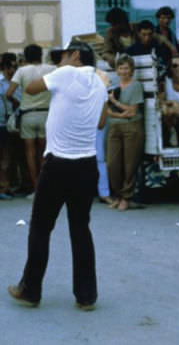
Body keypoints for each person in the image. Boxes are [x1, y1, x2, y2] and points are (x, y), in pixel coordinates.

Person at [8, 40, 108, 311]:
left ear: (75, 55)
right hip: (86, 165)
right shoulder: (100, 83)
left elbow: (30, 88)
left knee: (41, 228)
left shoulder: (65, 74)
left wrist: (58, 69)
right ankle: (86, 296)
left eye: (62, 56)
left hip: (58, 165)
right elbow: (100, 122)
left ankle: (30, 290)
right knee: (80, 229)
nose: (59, 60)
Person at [6, 44, 57, 199]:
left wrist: (18, 103)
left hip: (28, 114)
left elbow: (9, 93)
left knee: (30, 152)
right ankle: (47, 186)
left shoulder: (22, 71)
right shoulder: (51, 69)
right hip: (47, 114)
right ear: (41, 55)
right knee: (44, 152)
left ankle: (36, 187)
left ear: (26, 57)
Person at [106, 55, 144, 211]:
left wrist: (115, 103)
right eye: (120, 68)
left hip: (132, 128)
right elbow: (107, 110)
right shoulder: (113, 86)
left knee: (130, 164)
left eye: (126, 68)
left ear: (132, 70)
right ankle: (117, 194)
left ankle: (126, 197)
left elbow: (133, 112)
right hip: (114, 127)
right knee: (112, 164)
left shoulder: (135, 86)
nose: (123, 71)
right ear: (116, 70)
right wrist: (120, 113)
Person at [102, 7, 177, 69]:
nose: (113, 27)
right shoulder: (110, 32)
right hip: (123, 66)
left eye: (115, 24)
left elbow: (159, 37)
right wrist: (111, 58)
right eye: (112, 24)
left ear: (123, 21)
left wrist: (172, 48)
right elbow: (106, 51)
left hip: (142, 63)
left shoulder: (137, 27)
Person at [0, 55, 18, 199]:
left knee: (7, 157)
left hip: (5, 123)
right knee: (5, 157)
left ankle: (6, 185)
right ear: (6, 68)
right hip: (2, 124)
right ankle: (4, 187)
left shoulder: (10, 82)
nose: (15, 69)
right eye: (13, 66)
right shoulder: (3, 83)